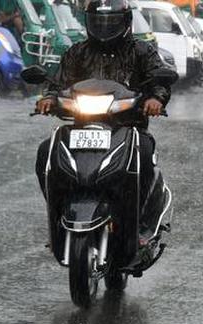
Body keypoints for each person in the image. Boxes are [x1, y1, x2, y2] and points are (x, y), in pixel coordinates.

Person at [35, 0, 174, 207]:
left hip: (128, 126)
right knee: (46, 152)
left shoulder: (142, 51)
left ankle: (140, 218)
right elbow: (59, 82)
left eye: (111, 22)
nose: (104, 27)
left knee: (144, 153)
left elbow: (157, 81)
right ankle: (58, 210)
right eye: (98, 22)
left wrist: (155, 99)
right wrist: (48, 98)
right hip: (81, 126)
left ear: (126, 22)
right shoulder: (77, 52)